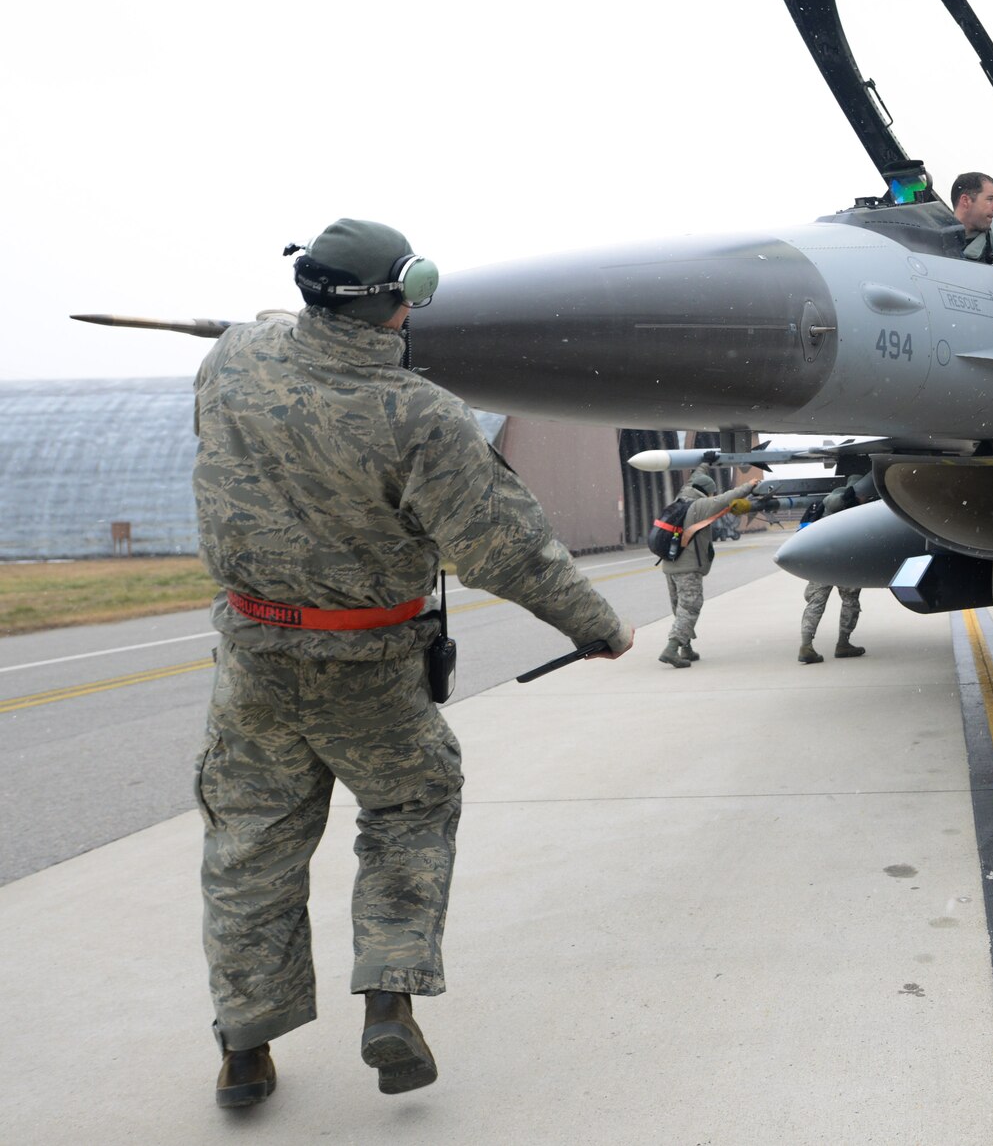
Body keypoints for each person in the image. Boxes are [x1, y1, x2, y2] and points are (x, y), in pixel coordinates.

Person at [193, 219, 635, 1109]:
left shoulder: (231, 362)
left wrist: (290, 324)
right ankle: (388, 994)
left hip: (253, 658)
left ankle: (245, 1046)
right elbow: (503, 545)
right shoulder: (422, 415)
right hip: (366, 663)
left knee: (250, 847)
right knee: (409, 806)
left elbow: (268, 335)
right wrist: (595, 624)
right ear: (396, 298)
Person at [659, 464, 765, 667]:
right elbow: (726, 498)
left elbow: (695, 479)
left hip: (669, 564)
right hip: (687, 566)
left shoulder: (681, 498)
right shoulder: (700, 506)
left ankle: (686, 649)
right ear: (706, 491)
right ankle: (671, 649)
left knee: (679, 607)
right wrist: (748, 486)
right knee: (690, 607)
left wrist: (704, 464)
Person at [798, 479, 866, 664]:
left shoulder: (828, 504)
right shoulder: (854, 507)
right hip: (845, 561)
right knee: (850, 600)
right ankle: (843, 644)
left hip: (821, 560)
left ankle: (806, 646)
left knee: (816, 602)